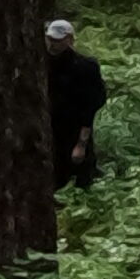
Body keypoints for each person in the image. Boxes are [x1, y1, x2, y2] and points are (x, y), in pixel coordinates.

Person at [46, 17, 103, 190]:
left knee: (81, 177)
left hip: (75, 129)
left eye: (58, 40)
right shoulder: (42, 65)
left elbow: (92, 104)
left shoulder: (86, 67)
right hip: (49, 129)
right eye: (50, 39)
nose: (53, 44)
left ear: (70, 39)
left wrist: (81, 143)